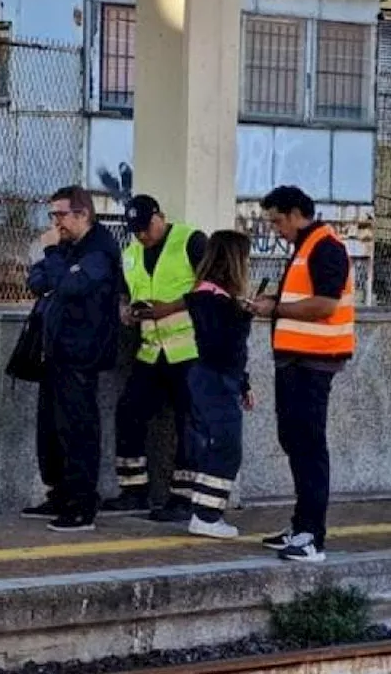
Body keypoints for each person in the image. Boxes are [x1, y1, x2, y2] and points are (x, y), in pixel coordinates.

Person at [247, 185, 356, 563]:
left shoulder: (325, 246)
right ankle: (300, 525)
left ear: (295, 213)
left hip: (314, 362)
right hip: (295, 362)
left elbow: (325, 304)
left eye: (277, 221)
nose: (276, 229)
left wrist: (275, 309)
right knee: (294, 441)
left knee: (309, 445)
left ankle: (312, 535)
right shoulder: (305, 246)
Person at [21, 185, 124, 532]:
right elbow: (37, 281)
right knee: (51, 429)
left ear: (83, 214)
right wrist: (53, 265)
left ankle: (82, 504)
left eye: (61, 215)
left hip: (82, 353)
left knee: (78, 429)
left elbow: (68, 286)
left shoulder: (99, 250)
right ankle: (60, 493)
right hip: (56, 351)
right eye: (52, 216)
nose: (56, 223)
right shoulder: (67, 248)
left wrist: (52, 259)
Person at [106, 194, 208, 522]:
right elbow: (125, 291)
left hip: (188, 351)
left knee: (189, 422)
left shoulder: (191, 241)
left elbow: (211, 290)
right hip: (150, 351)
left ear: (160, 217)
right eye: (135, 230)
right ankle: (134, 490)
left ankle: (184, 497)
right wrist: (125, 309)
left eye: (146, 227)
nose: (142, 235)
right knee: (128, 411)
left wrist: (171, 308)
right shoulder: (131, 253)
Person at [181, 230, 257, 540]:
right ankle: (206, 516)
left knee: (216, 445)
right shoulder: (213, 299)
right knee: (225, 446)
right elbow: (222, 346)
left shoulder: (212, 296)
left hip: (215, 377)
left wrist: (244, 382)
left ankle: (204, 511)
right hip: (214, 378)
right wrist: (240, 317)